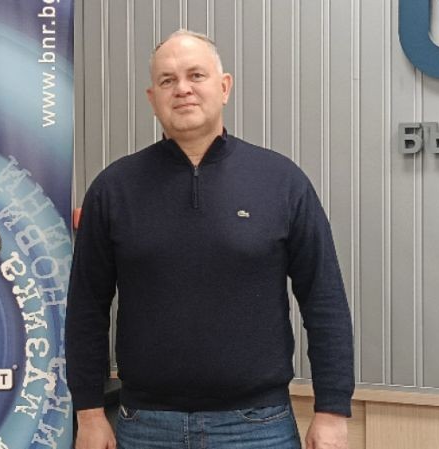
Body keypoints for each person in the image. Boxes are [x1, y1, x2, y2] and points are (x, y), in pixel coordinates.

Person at [65, 29, 354, 449]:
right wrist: (89, 414)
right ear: (152, 98)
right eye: (167, 80)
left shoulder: (281, 182)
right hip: (145, 426)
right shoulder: (114, 189)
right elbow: (86, 309)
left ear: (224, 87)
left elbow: (324, 301)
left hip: (258, 427)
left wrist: (332, 411)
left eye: (195, 75)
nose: (182, 89)